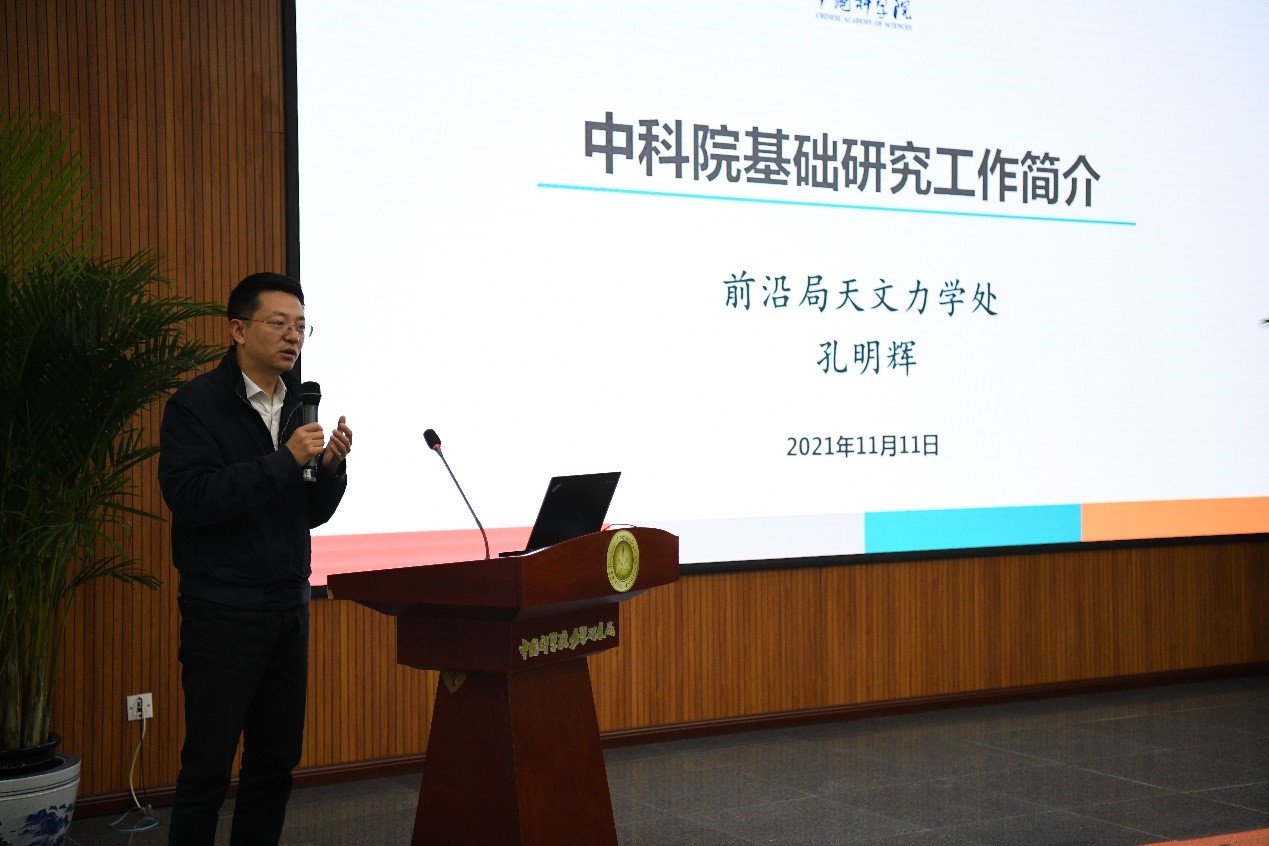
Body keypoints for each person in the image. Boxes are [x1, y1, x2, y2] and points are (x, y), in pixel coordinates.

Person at [158, 272, 352, 846]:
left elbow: (306, 513)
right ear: (238, 330)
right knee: (208, 770)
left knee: (274, 765)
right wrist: (284, 460)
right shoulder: (196, 405)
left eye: (301, 327)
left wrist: (330, 470)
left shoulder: (297, 407)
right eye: (279, 323)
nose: (293, 337)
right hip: (223, 611)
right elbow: (192, 498)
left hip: (289, 608)